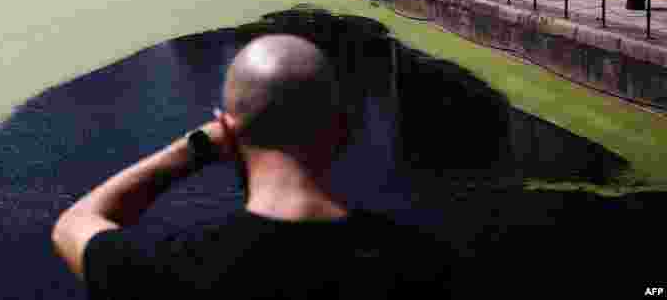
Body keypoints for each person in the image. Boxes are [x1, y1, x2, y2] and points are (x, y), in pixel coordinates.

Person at [52, 34, 461, 299]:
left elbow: (75, 223)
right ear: (343, 128)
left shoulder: (168, 268)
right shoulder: (427, 266)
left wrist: (195, 147)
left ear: (227, 133)